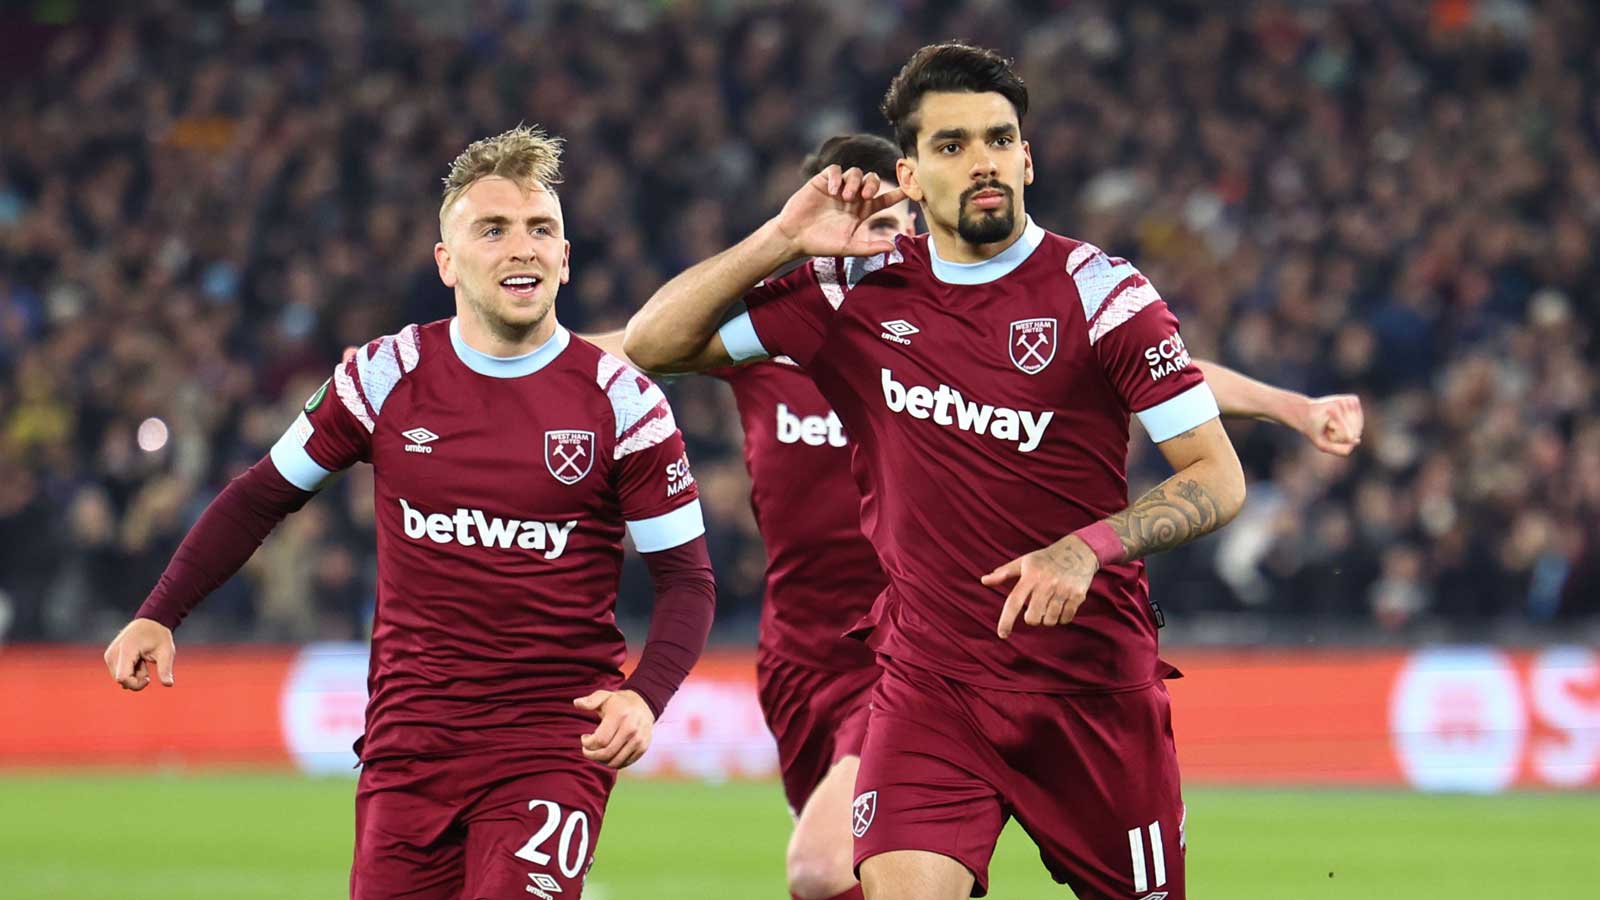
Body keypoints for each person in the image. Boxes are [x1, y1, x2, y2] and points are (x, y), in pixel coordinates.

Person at [603, 131, 1359, 900]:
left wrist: (1289, 407)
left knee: (821, 866)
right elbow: (612, 353)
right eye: (868, 225)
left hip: (918, 643)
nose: (889, 241)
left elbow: (1164, 369)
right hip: (799, 652)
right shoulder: (784, 338)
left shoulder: (942, 323)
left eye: (899, 222)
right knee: (850, 877)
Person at [101, 125, 716, 900]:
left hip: (550, 743)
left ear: (565, 257)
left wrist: (644, 694)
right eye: (492, 229)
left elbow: (689, 582)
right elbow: (262, 495)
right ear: (447, 261)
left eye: (541, 230)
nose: (521, 247)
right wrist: (161, 612)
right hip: (408, 746)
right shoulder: (385, 376)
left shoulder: (625, 403)